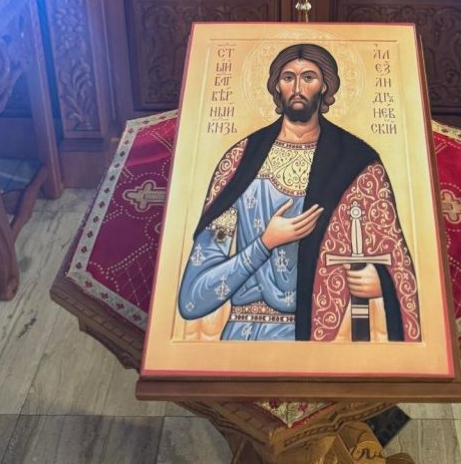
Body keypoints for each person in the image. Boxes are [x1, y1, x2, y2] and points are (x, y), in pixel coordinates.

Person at [178, 43, 420, 342]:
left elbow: (396, 264)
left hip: (321, 343)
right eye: (288, 77)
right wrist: (265, 243)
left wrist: (382, 283)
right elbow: (192, 299)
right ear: (276, 86)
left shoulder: (357, 163)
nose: (297, 88)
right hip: (241, 338)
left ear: (325, 86)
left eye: (308, 77)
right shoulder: (240, 162)